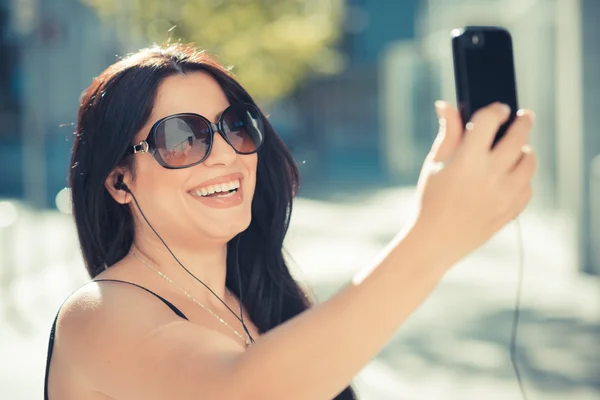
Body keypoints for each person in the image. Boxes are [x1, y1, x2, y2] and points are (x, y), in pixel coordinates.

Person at [44, 43, 536, 400]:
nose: (223, 155)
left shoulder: (260, 298)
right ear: (119, 181)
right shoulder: (99, 315)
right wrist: (435, 237)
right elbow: (244, 390)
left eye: (235, 126)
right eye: (181, 137)